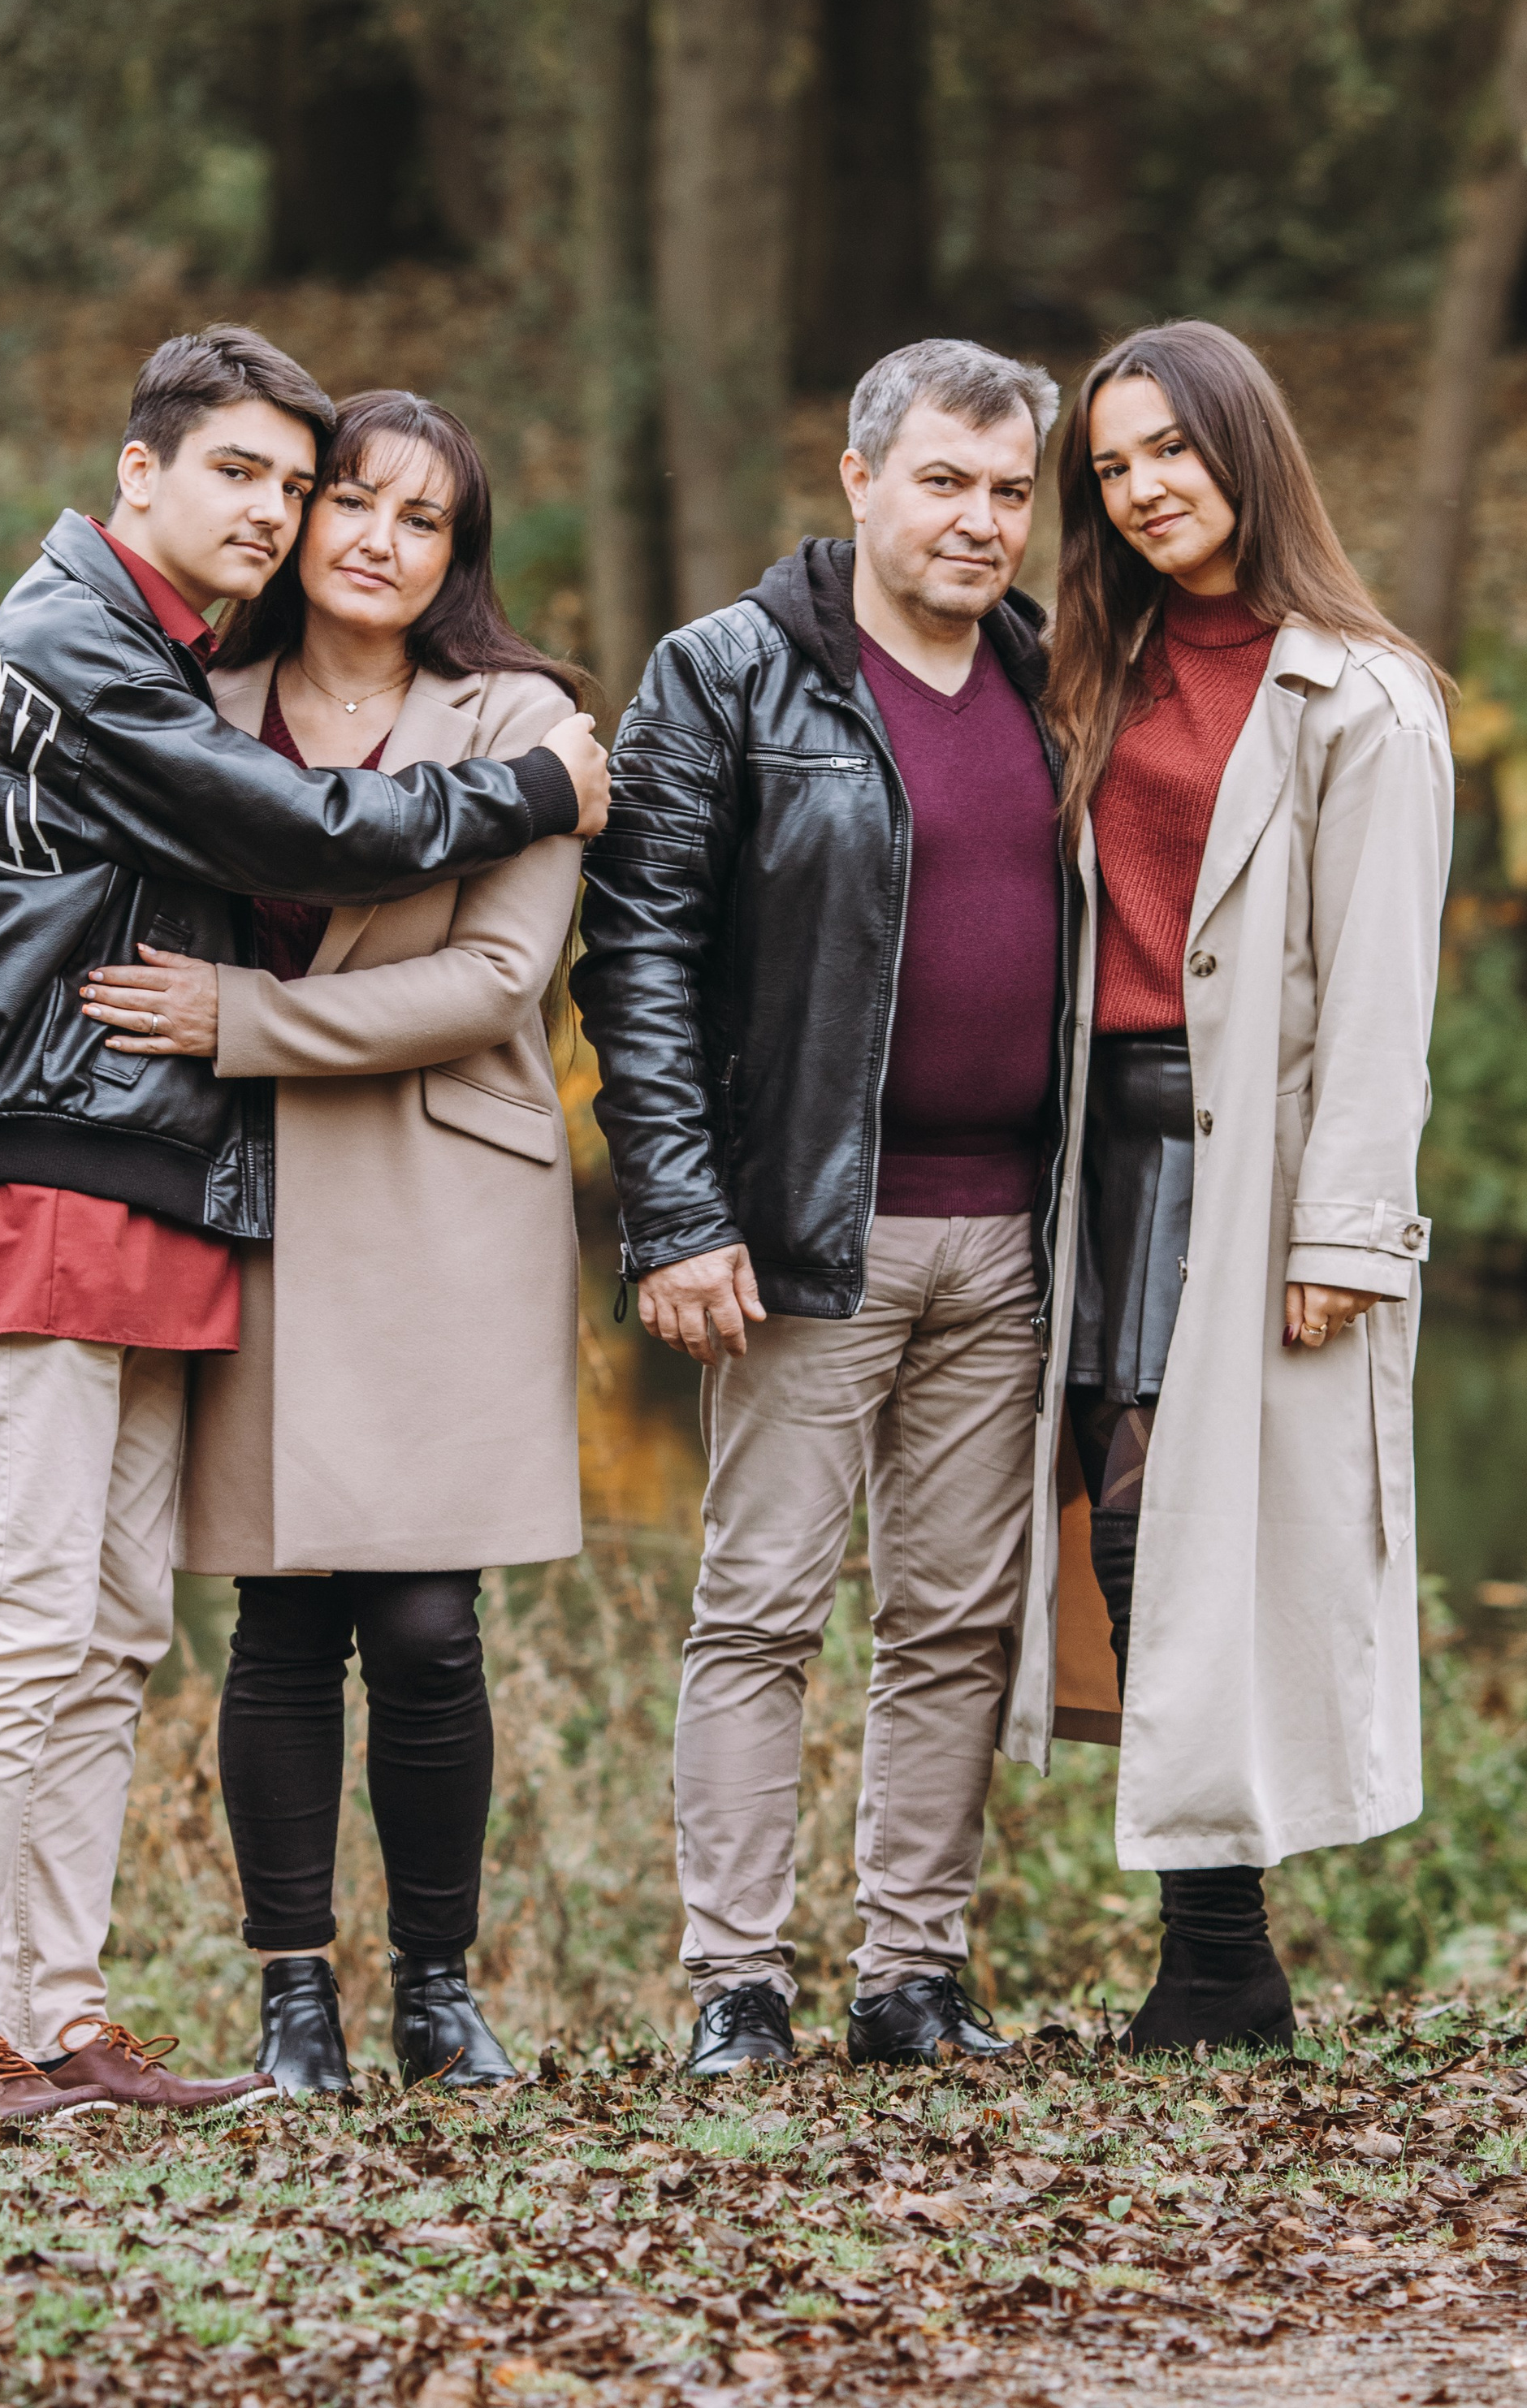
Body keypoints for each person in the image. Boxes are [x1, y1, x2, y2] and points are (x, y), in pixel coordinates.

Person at [0, 326, 608, 2129]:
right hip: (30, 1153)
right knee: (27, 1614)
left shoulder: (164, 646)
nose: (283, 516)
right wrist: (540, 785)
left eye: (302, 482)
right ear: (140, 472)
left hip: (145, 1168)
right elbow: (296, 824)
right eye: (253, 477)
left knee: (116, 1623)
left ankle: (58, 2017)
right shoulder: (85, 646)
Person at [82, 391, 586, 2099]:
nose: (374, 538)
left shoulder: (525, 721)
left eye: (418, 517)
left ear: (458, 553)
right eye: (347, 501)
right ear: (295, 523)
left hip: (449, 1201)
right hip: (256, 1200)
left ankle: (438, 1992)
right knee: (281, 1624)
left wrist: (236, 1013)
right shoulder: (196, 705)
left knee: (431, 1622)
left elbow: (492, 985)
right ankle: (293, 2001)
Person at [574, 336, 1068, 2074]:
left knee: (953, 1619)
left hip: (1011, 1236)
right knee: (761, 1605)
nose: (980, 521)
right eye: (944, 480)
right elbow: (632, 950)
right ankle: (736, 1986)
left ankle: (911, 1977)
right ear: (856, 478)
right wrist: (677, 1211)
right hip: (800, 1234)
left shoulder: (1053, 683)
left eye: (1009, 491)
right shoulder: (726, 676)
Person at [1006, 318, 1453, 2051]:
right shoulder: (1080, 663)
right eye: (1108, 469)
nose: (1139, 493)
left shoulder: (1362, 694)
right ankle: (1212, 1959)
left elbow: (1381, 995)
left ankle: (1217, 1961)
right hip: (1091, 1148)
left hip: (1244, 1155)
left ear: (1242, 450)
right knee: (1114, 1510)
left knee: (1164, 1518)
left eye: (1167, 453)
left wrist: (1344, 1227)